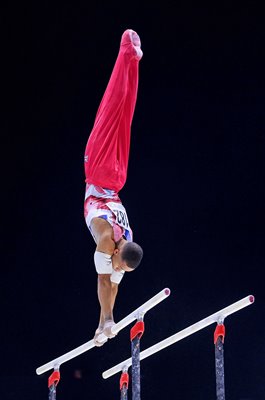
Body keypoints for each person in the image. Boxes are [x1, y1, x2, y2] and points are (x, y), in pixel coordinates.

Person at [84, 29, 144, 346]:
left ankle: (133, 59)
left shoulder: (127, 243)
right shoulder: (109, 240)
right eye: (119, 261)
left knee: (126, 115)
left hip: (118, 178)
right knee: (111, 109)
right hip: (101, 172)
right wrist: (107, 319)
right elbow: (103, 279)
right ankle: (125, 46)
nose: (117, 265)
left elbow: (114, 283)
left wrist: (102, 325)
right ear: (118, 250)